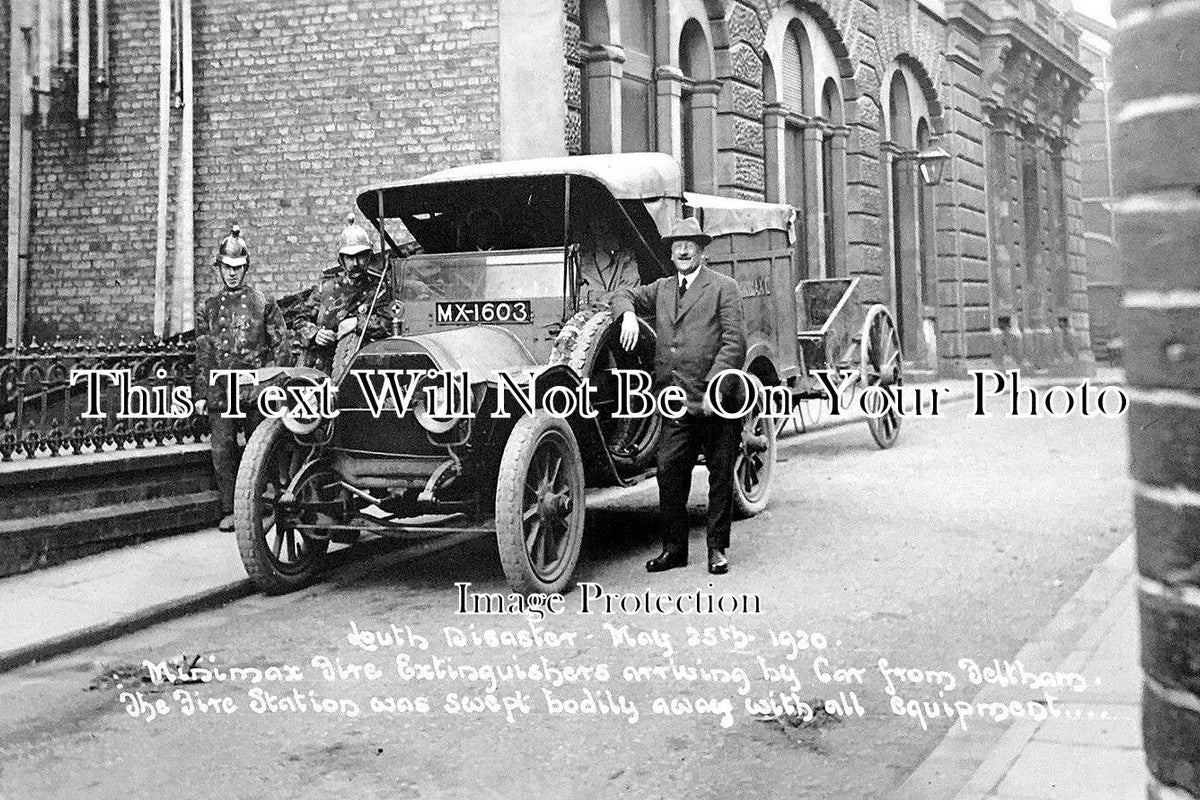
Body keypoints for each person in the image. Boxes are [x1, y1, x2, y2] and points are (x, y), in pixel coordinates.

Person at [611, 217, 747, 575]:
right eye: (677, 246)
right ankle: (675, 550)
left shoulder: (723, 287)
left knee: (720, 475)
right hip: (675, 402)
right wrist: (626, 315)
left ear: (701, 251)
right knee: (669, 472)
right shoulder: (662, 288)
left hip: (717, 401)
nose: (683, 251)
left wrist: (714, 389)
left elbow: (735, 343)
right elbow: (623, 294)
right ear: (671, 254)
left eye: (690, 245)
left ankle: (717, 549)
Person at [194, 226, 292, 533]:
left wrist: (273, 385)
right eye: (227, 268)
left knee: (260, 446)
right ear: (219, 268)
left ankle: (266, 503)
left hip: (255, 387)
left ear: (246, 268)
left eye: (238, 268)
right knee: (222, 448)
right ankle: (229, 509)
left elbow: (282, 346)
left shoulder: (263, 301)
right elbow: (203, 353)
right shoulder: (208, 307)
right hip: (222, 389)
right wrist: (201, 393)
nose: (232, 274)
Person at [295, 214, 393, 379]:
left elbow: (387, 324)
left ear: (368, 256)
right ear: (341, 259)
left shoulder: (379, 290)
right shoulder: (326, 288)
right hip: (318, 366)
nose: (355, 264)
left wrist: (357, 323)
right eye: (349, 257)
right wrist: (315, 334)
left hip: (358, 368)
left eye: (360, 256)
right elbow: (299, 320)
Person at [577, 216, 641, 308]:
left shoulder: (626, 257)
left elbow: (630, 293)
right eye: (594, 224)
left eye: (602, 224)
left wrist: (597, 297)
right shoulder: (576, 257)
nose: (598, 226)